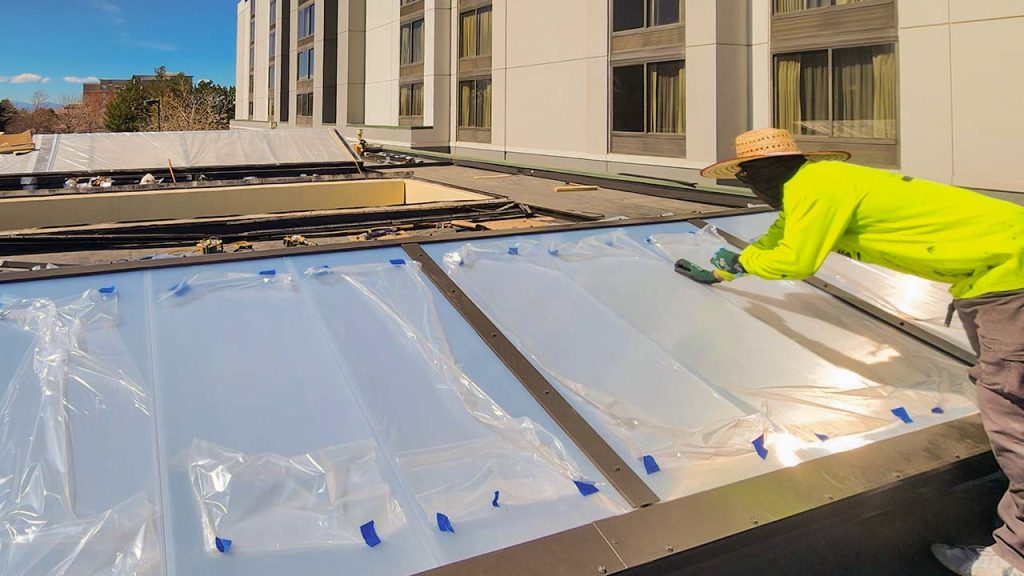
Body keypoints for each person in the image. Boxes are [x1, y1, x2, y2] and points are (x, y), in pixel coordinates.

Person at [675, 128, 1024, 576]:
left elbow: (796, 260)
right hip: (989, 272)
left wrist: (744, 264)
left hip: (1008, 276)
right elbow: (779, 238)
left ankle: (1013, 560)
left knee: (1010, 411)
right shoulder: (817, 184)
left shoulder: (814, 188)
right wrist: (725, 272)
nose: (757, 185)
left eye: (754, 175)